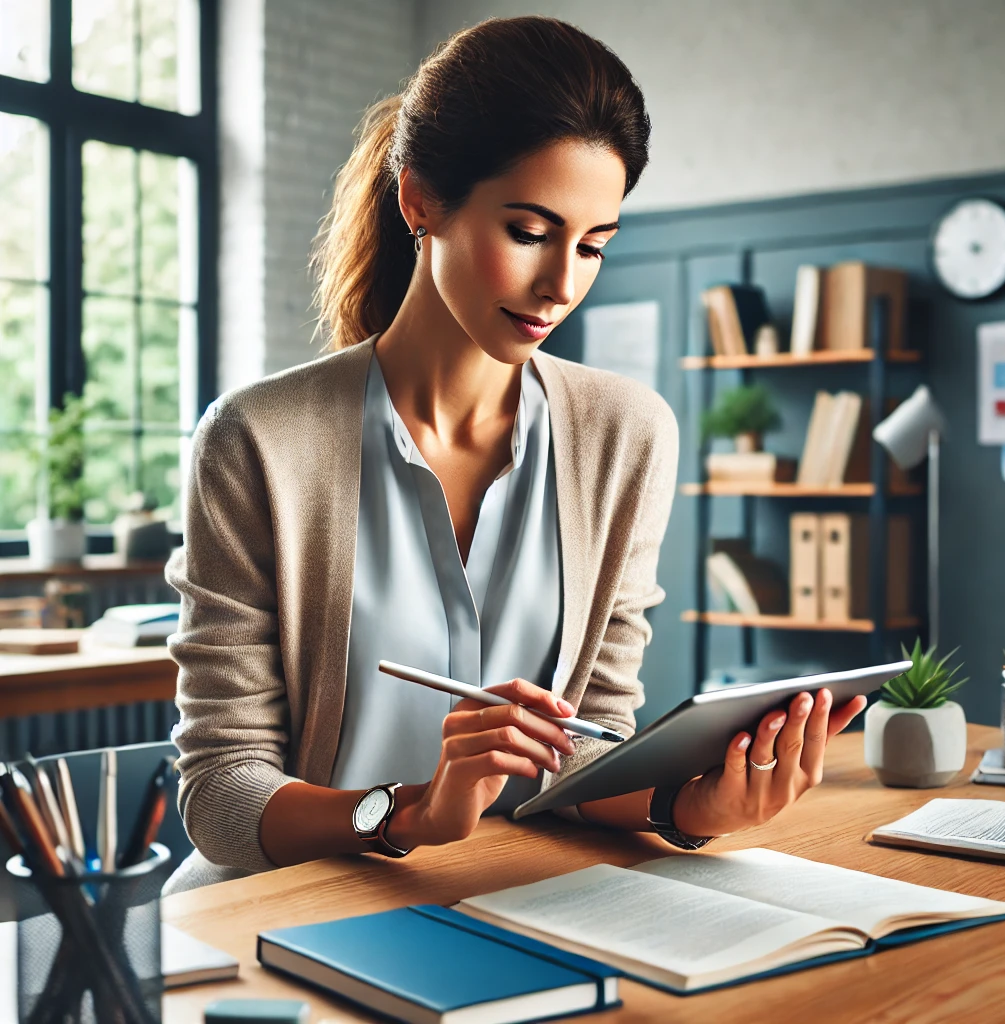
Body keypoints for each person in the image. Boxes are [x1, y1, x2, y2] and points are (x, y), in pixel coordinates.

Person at [163, 15, 866, 894]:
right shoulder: (258, 439)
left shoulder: (626, 436)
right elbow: (221, 795)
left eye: (594, 246)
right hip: (278, 903)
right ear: (420, 199)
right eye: (530, 232)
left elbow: (587, 749)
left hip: (508, 889)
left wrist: (689, 808)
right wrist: (411, 810)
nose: (561, 284)